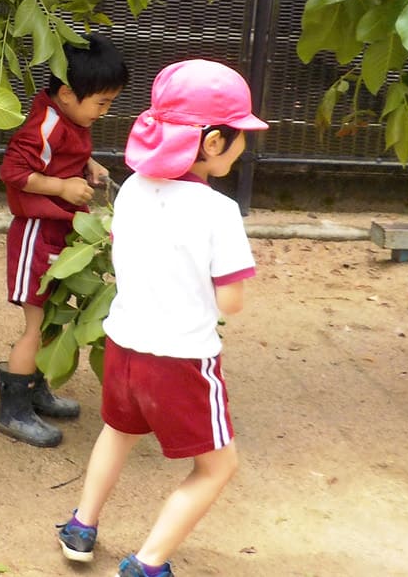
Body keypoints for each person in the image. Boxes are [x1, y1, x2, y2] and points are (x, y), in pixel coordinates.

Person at [55, 59, 269, 577]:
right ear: (213, 143)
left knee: (117, 430)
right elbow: (232, 302)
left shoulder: (131, 188)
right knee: (218, 466)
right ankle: (148, 563)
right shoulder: (218, 212)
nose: (244, 145)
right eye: (240, 135)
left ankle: (82, 526)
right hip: (182, 361)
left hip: (125, 348)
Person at [0, 32, 130, 447]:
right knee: (36, 325)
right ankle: (13, 410)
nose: (105, 112)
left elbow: (64, 153)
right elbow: (12, 171)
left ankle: (36, 392)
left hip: (61, 233)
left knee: (54, 317)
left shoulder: (70, 117)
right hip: (37, 235)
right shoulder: (46, 124)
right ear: (69, 94)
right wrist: (61, 188)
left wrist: (86, 163)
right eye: (102, 103)